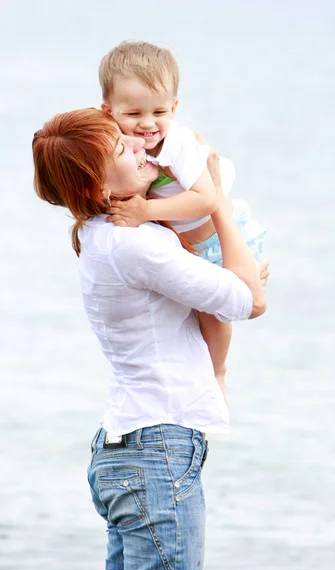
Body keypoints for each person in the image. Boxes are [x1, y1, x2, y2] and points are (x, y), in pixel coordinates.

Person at [32, 107, 268, 570]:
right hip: (156, 451)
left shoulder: (104, 238)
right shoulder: (136, 245)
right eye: (122, 148)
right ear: (98, 190)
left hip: (128, 450)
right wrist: (215, 198)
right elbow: (250, 300)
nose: (141, 145)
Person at [99, 40, 267, 397]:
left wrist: (146, 211)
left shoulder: (179, 145)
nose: (148, 124)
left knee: (213, 316)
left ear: (174, 107)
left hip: (217, 242)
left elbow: (207, 198)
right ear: (109, 111)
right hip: (188, 242)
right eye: (133, 114)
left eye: (159, 112)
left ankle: (218, 372)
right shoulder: (121, 146)